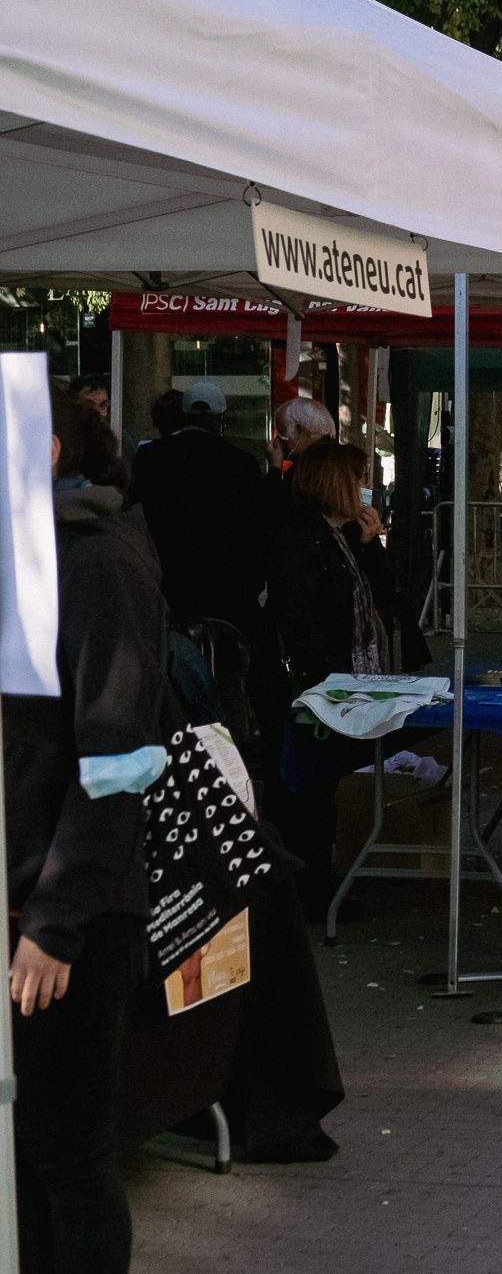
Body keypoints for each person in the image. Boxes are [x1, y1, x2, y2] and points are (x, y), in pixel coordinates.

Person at [7, 386, 165, 1273]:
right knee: (28, 1151)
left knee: (67, 1152)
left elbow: (115, 762)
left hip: (73, 917)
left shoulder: (98, 564)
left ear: (50, 448)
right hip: (38, 902)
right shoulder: (36, 558)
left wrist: (54, 921)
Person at [264, 441, 407, 914]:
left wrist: (372, 548)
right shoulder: (297, 538)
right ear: (335, 482)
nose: (365, 489)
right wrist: (323, 680)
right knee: (305, 790)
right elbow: (300, 615)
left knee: (321, 789)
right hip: (318, 681)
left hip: (349, 674)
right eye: (357, 478)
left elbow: (385, 597)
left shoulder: (345, 535)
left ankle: (316, 884)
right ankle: (304, 890)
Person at [130, 378, 272, 637]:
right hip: (228, 592)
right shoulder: (242, 463)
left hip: (170, 587)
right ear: (220, 418)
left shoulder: (150, 458)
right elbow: (255, 531)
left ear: (184, 415)